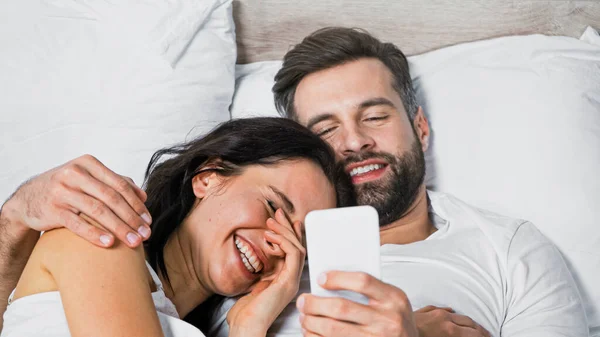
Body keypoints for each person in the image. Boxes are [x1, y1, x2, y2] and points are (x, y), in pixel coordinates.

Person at [0, 28, 589, 337]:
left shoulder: (509, 250)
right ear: (209, 179)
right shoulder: (107, 237)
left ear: (420, 125)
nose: (353, 142)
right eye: (325, 129)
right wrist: (13, 220)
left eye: (375, 115)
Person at [0, 117, 354, 337]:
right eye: (272, 205)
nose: (280, 244)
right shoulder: (104, 233)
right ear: (208, 178)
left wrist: (249, 329)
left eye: (298, 240)